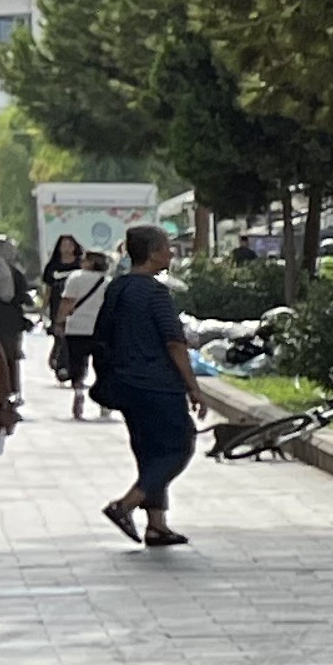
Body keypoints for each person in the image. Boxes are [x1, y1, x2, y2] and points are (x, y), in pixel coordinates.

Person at [89, 223, 207, 547]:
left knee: (149, 451)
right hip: (159, 385)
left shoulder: (118, 288)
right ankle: (125, 505)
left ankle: (156, 525)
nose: (172, 252)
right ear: (153, 253)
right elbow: (174, 343)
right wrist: (194, 388)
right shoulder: (156, 293)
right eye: (167, 247)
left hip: (125, 383)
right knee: (178, 446)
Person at [45, 234, 104, 419]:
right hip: (100, 329)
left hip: (77, 327)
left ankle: (78, 391)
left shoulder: (75, 278)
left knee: (77, 363)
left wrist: (59, 322)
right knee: (101, 365)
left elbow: (66, 303)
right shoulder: (107, 282)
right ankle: (104, 403)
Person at [0, 230, 26, 445]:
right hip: (7, 321)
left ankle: (7, 397)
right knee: (7, 359)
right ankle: (9, 396)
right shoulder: (9, 268)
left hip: (0, 320)